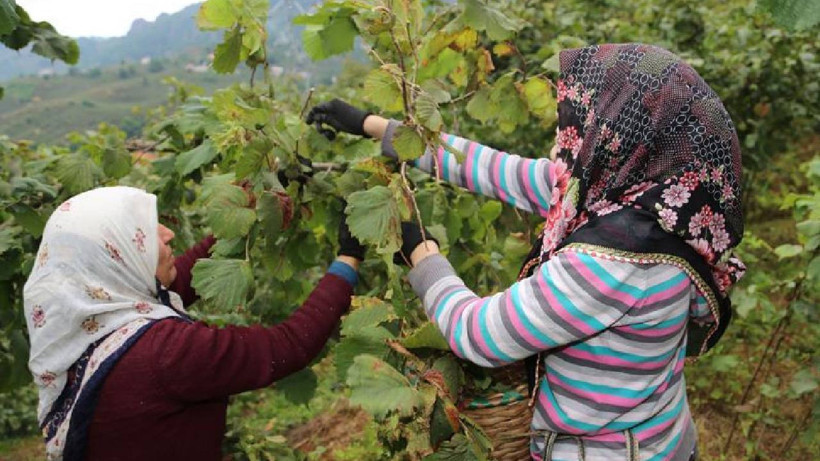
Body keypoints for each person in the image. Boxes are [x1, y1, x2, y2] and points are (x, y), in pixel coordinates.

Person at [308, 43, 745, 460]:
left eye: (588, 118)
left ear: (621, 136)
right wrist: (374, 125)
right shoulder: (662, 206)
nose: (570, 133)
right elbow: (494, 170)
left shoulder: (614, 264)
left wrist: (421, 254)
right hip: (663, 439)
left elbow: (480, 335)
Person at [23, 186, 365, 460]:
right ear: (119, 255)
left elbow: (182, 280)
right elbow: (289, 345)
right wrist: (348, 258)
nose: (169, 233)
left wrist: (250, 207)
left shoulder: (89, 319)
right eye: (146, 233)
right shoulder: (166, 353)